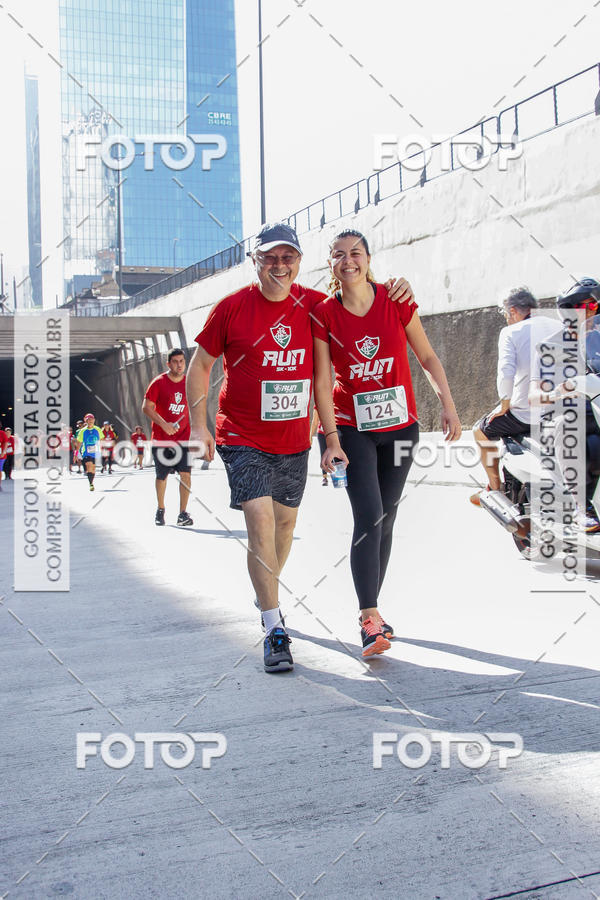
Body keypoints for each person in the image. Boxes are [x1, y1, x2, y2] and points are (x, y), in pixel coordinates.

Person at [186, 222, 413, 673]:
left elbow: (359, 301)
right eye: (270, 257)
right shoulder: (230, 309)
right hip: (242, 437)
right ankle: (274, 626)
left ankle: (266, 588)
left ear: (299, 262)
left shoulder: (314, 306)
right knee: (262, 520)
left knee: (285, 529)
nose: (279, 265)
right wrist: (200, 425)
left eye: (288, 257)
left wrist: (397, 287)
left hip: (292, 442)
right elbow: (200, 367)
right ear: (255, 261)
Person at [313, 229, 461, 658]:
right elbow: (322, 381)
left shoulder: (396, 299)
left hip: (400, 428)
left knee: (388, 519)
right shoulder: (323, 313)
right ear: (331, 264)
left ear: (368, 258)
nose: (347, 260)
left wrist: (447, 405)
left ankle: (374, 612)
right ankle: (369, 617)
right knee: (370, 515)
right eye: (338, 255)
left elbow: (428, 356)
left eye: (355, 253)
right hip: (350, 427)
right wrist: (331, 438)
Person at [470, 287, 558, 507]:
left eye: (504, 314)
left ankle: (494, 486)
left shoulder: (512, 332)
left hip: (525, 414)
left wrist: (504, 404)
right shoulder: (560, 326)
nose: (506, 319)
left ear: (512, 311)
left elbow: (506, 372)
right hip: (559, 411)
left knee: (479, 430)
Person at [529, 277, 600, 532]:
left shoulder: (598, 339)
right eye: (588, 307)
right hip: (562, 413)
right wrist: (559, 392)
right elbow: (534, 394)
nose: (594, 311)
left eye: (596, 306)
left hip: (596, 408)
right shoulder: (550, 346)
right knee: (571, 423)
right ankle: (582, 506)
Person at [142, 348, 194, 527]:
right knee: (162, 476)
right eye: (175, 362)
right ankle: (161, 508)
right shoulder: (159, 383)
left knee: (186, 474)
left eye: (182, 361)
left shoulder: (189, 383)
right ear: (168, 364)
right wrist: (164, 424)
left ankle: (182, 514)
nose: (179, 365)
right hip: (162, 439)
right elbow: (146, 407)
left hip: (183, 438)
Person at [75, 413, 103, 491]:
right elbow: (79, 443)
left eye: (91, 420)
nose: (90, 421)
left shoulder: (97, 429)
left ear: (94, 420)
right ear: (86, 421)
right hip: (86, 452)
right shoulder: (82, 431)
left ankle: (91, 481)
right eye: (88, 420)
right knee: (89, 465)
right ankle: (90, 483)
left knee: (93, 469)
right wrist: (75, 454)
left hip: (95, 452)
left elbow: (101, 440)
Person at [310, 412, 329, 486]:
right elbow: (315, 421)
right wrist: (310, 435)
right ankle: (325, 477)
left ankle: (340, 475)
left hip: (335, 432)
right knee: (323, 454)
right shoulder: (317, 405)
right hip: (322, 433)